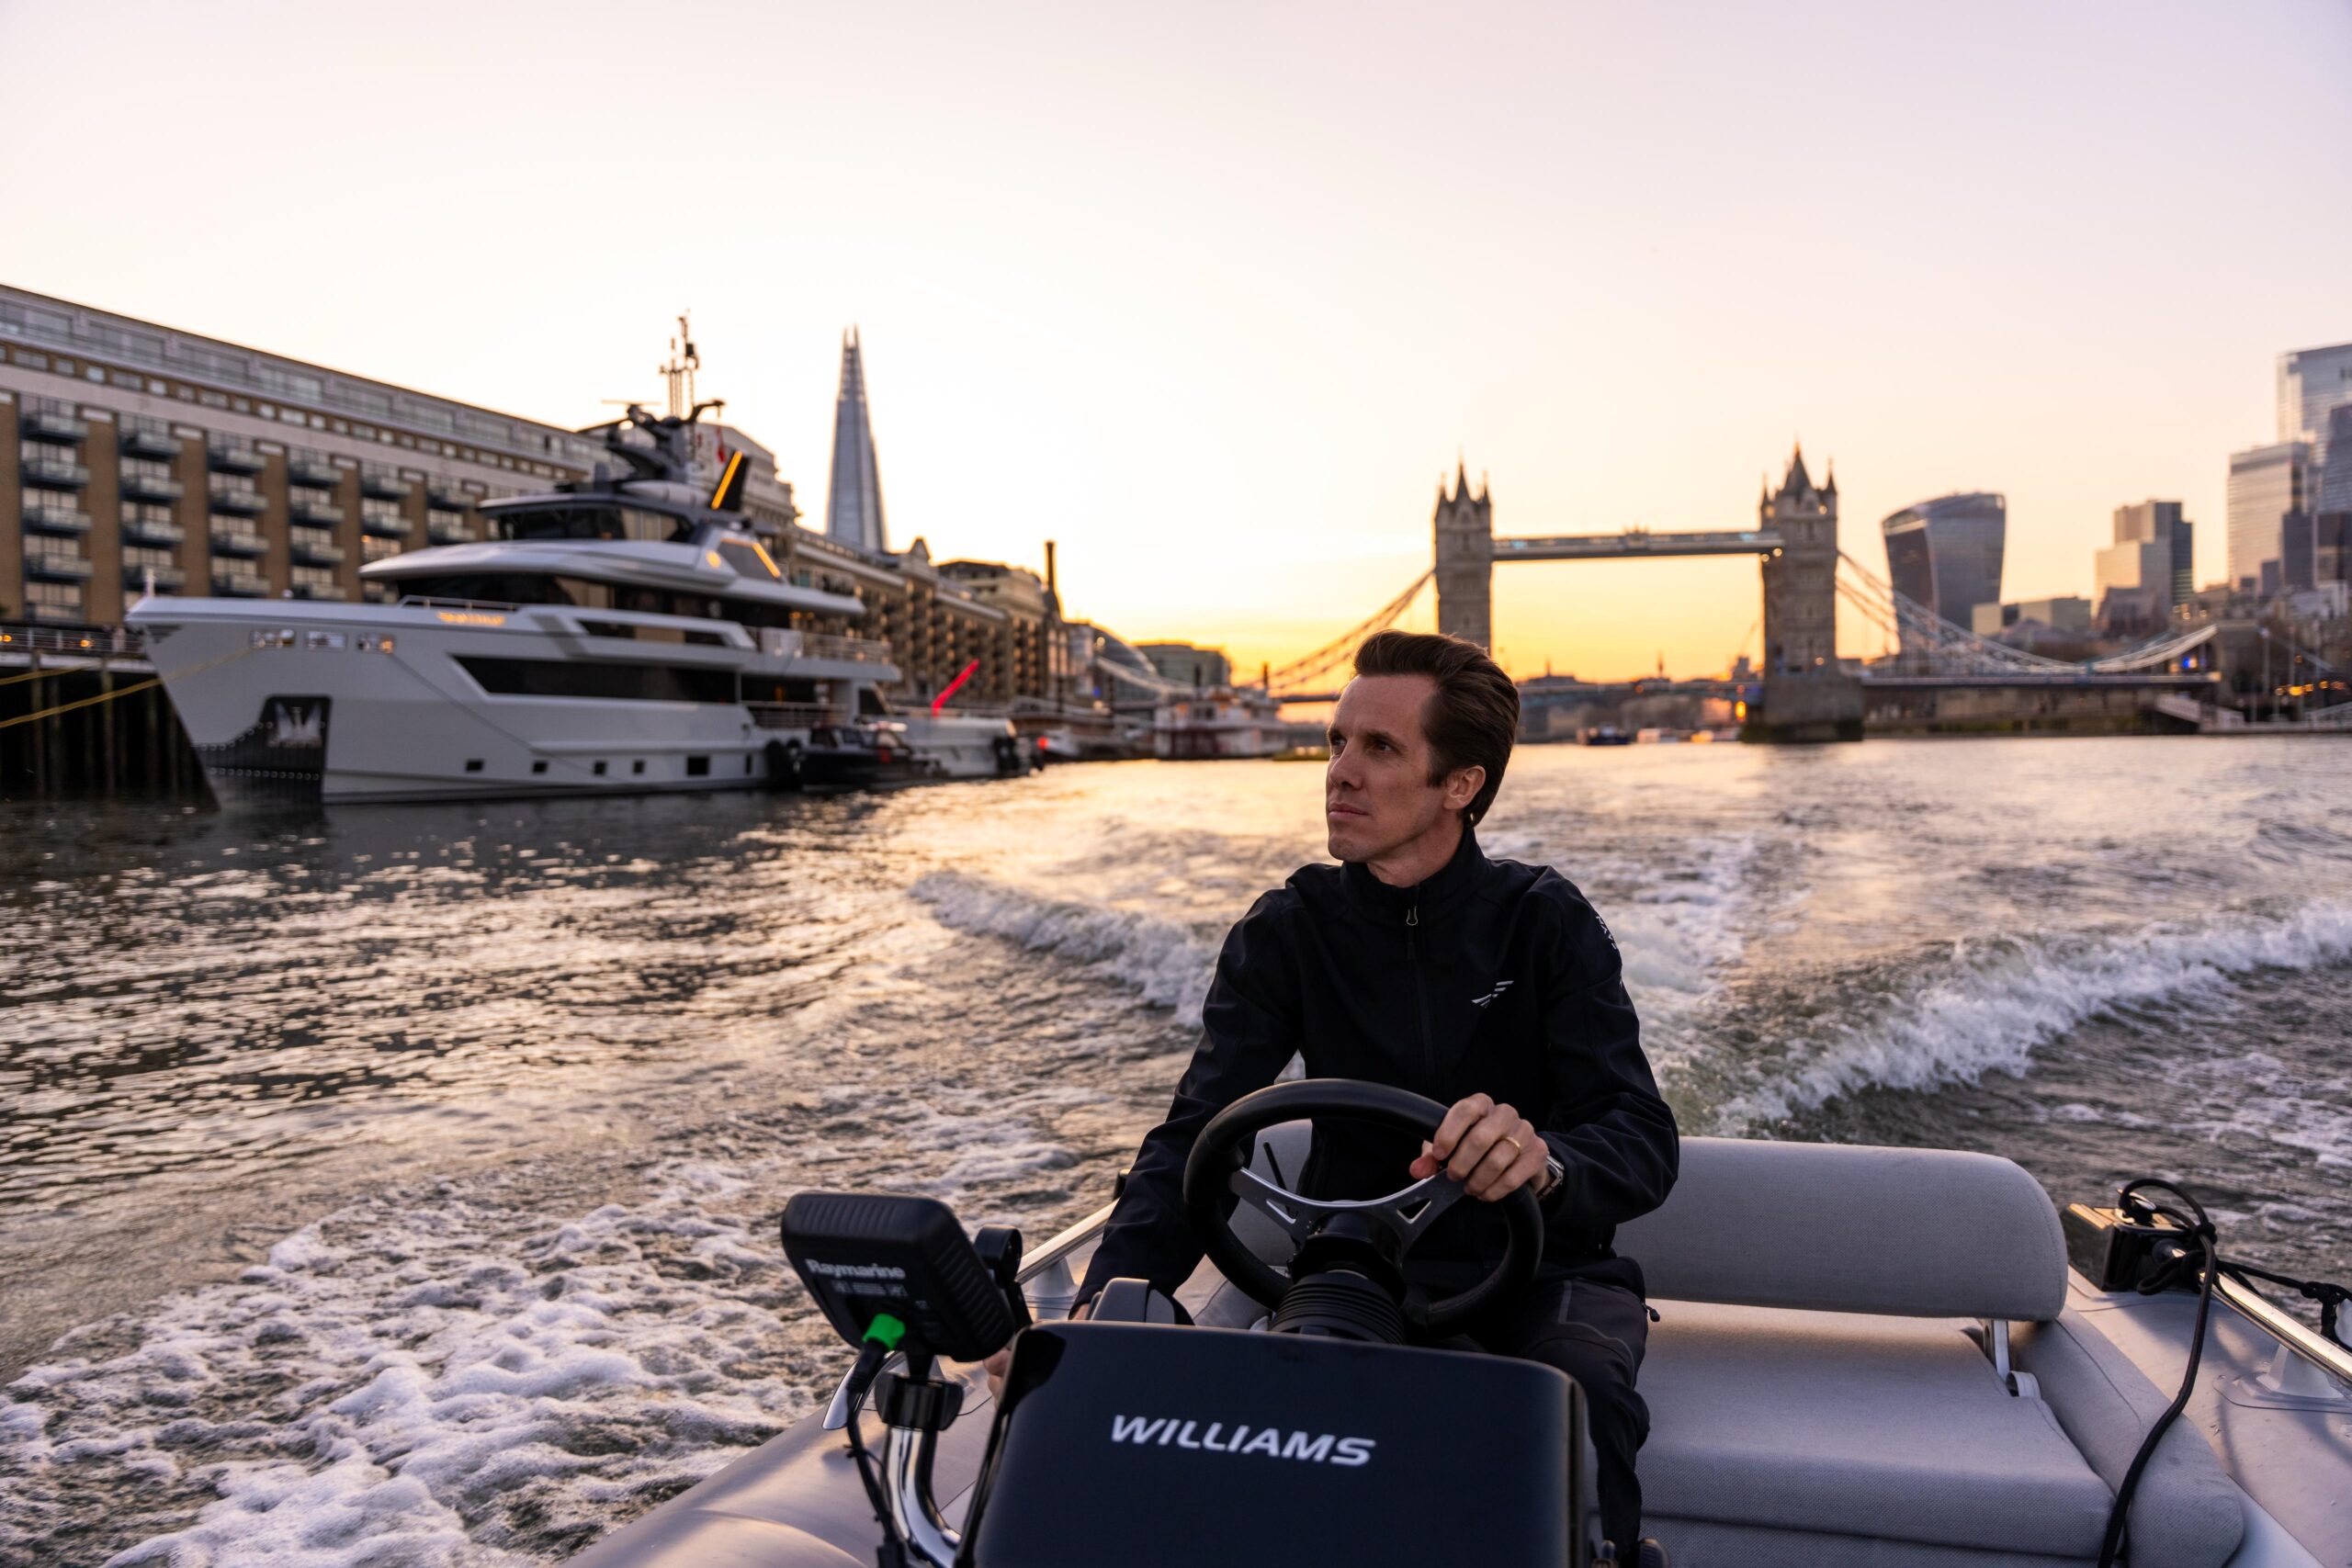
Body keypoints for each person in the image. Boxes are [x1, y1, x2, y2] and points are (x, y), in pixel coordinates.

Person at [989, 628, 1679, 1555]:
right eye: (1337, 742)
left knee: (1576, 1410)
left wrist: (1543, 1160)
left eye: (1379, 747)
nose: (1340, 772)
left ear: (1460, 784)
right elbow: (1195, 1134)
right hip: (1354, 1267)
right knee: (1284, 1421)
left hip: (1544, 1272)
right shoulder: (1290, 928)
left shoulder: (1544, 922)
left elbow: (1640, 1136)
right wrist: (1099, 1309)